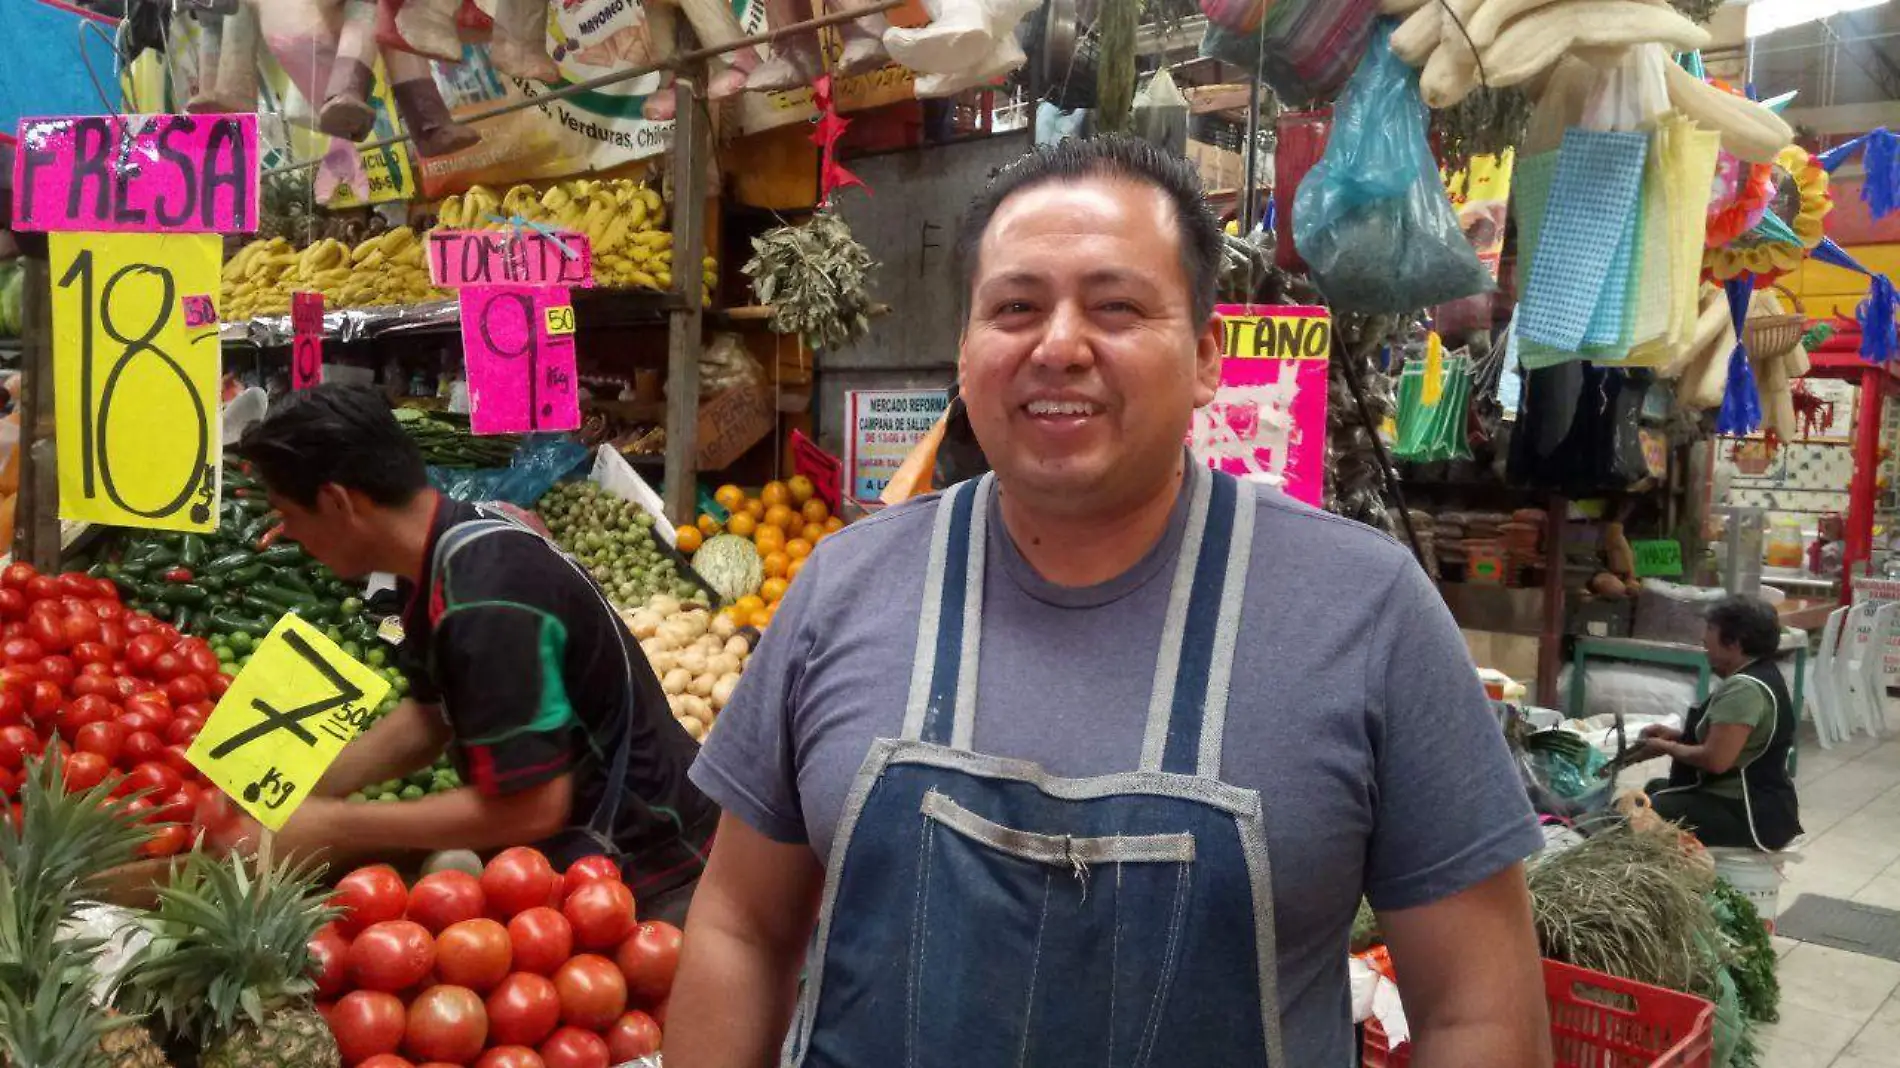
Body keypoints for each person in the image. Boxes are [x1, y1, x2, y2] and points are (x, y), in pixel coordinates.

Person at [665, 136, 1550, 1067]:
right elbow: (740, 928)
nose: (1057, 346)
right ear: (966, 353)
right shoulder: (845, 588)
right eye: (1014, 308)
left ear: (1207, 355)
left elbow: (1475, 1015)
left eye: (1115, 306)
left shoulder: (1367, 615)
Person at [232, 386, 717, 921]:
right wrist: (290, 794)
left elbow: (532, 806)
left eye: (287, 514)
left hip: (653, 869)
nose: (285, 535)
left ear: (337, 502)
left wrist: (338, 826)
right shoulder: (440, 556)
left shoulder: (485, 593)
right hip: (589, 861)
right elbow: (425, 720)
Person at [1640, 594, 1802, 851]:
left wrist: (1665, 748)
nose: (1704, 638)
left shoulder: (1744, 689)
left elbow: (1716, 760)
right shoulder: (1761, 672)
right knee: (1652, 791)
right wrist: (1677, 737)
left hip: (1749, 814)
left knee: (1644, 813)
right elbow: (1733, 742)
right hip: (1760, 806)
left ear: (1735, 642)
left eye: (1711, 629)